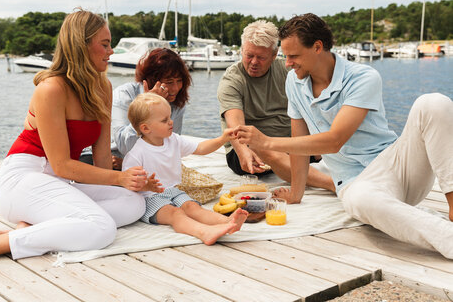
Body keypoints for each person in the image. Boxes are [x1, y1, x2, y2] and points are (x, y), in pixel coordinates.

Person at [0, 9, 150, 272]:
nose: (111, 51)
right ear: (81, 46)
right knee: (102, 228)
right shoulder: (51, 89)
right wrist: (119, 178)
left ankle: (37, 228)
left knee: (134, 203)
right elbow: (61, 165)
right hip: (24, 178)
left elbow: (103, 158)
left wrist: (122, 184)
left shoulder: (102, 87)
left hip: (57, 180)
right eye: (105, 44)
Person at [235, 13, 453, 258]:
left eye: (294, 56)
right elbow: (299, 141)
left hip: (397, 165)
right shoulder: (293, 83)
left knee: (433, 103)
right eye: (285, 56)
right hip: (356, 183)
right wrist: (297, 193)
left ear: (318, 47)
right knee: (358, 200)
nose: (287, 63)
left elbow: (335, 140)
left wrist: (266, 142)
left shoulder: (363, 77)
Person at [217, 20, 334, 191]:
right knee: (263, 148)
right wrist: (243, 153)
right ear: (241, 51)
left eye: (261, 57)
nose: (254, 62)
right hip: (247, 148)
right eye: (249, 55)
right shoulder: (232, 79)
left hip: (287, 144)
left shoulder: (289, 72)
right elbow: (236, 128)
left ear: (274, 55)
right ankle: (333, 185)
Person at [123, 92, 248, 245]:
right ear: (146, 128)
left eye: (169, 117)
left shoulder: (173, 140)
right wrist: (146, 185)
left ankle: (227, 222)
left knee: (192, 207)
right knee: (176, 214)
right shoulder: (137, 154)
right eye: (164, 120)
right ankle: (204, 232)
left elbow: (201, 148)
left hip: (173, 190)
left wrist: (223, 139)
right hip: (149, 198)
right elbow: (127, 185)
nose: (171, 122)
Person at [81, 48, 192, 169]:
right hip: (107, 158)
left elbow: (171, 148)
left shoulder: (177, 103)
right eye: (169, 82)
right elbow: (125, 146)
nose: (175, 88)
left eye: (179, 81)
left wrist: (127, 163)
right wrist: (147, 107)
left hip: (142, 165)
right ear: (152, 81)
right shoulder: (124, 95)